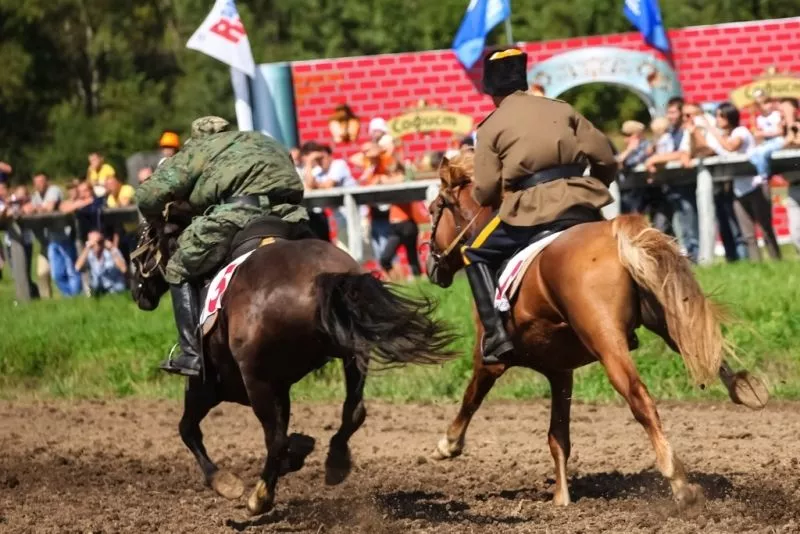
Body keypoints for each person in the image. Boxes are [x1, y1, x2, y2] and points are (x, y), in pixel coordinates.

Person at [462, 48, 616, 365]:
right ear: (522, 79)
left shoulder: (490, 125)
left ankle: (495, 336)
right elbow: (605, 157)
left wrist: (489, 197)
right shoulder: (562, 108)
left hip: (529, 209)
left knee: (473, 253)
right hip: (581, 202)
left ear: (491, 90)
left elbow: (487, 190)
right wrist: (594, 187)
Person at [136, 116, 310, 377]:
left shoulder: (201, 147)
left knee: (178, 266)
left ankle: (192, 354)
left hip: (237, 214)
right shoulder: (261, 140)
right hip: (290, 214)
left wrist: (155, 216)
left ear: (198, 135)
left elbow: (148, 195)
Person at [702, 102, 781, 262]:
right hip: (739, 189)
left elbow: (731, 147)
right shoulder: (724, 136)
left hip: (755, 185)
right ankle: (757, 265)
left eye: (720, 116)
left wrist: (711, 129)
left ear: (729, 117)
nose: (717, 119)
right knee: (748, 234)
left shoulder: (741, 131)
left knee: (765, 228)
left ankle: (776, 261)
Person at [75, 230, 128, 295]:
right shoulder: (89, 254)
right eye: (94, 243)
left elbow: (124, 269)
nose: (98, 245)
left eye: (100, 242)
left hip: (115, 288)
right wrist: (87, 248)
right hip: (98, 290)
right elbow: (78, 268)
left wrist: (112, 249)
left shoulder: (112, 251)